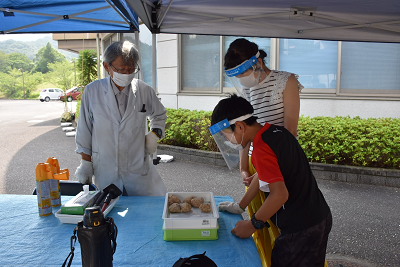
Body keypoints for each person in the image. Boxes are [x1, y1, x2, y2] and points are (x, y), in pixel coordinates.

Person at [210, 94, 332, 267]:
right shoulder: (276, 132)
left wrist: (252, 225)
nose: (229, 142)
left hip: (300, 228)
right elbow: (263, 176)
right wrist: (240, 206)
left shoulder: (261, 148)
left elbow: (279, 194)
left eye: (226, 135)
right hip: (320, 216)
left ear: (239, 126)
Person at [224, 38, 304, 264]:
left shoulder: (286, 81)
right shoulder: (247, 90)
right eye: (236, 77)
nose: (241, 80)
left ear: (257, 61)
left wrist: (263, 169)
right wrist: (242, 167)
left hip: (280, 161)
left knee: (282, 223)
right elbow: (245, 133)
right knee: (260, 224)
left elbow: (289, 132)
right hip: (256, 162)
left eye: (243, 73)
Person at [74, 40, 167, 196]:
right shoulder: (92, 91)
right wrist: (85, 163)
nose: (127, 74)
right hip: (105, 168)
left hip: (137, 167)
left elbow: (159, 114)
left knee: (141, 211)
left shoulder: (144, 90)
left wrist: (154, 134)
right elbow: (85, 129)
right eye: (122, 70)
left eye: (131, 70)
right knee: (110, 211)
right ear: (106, 66)